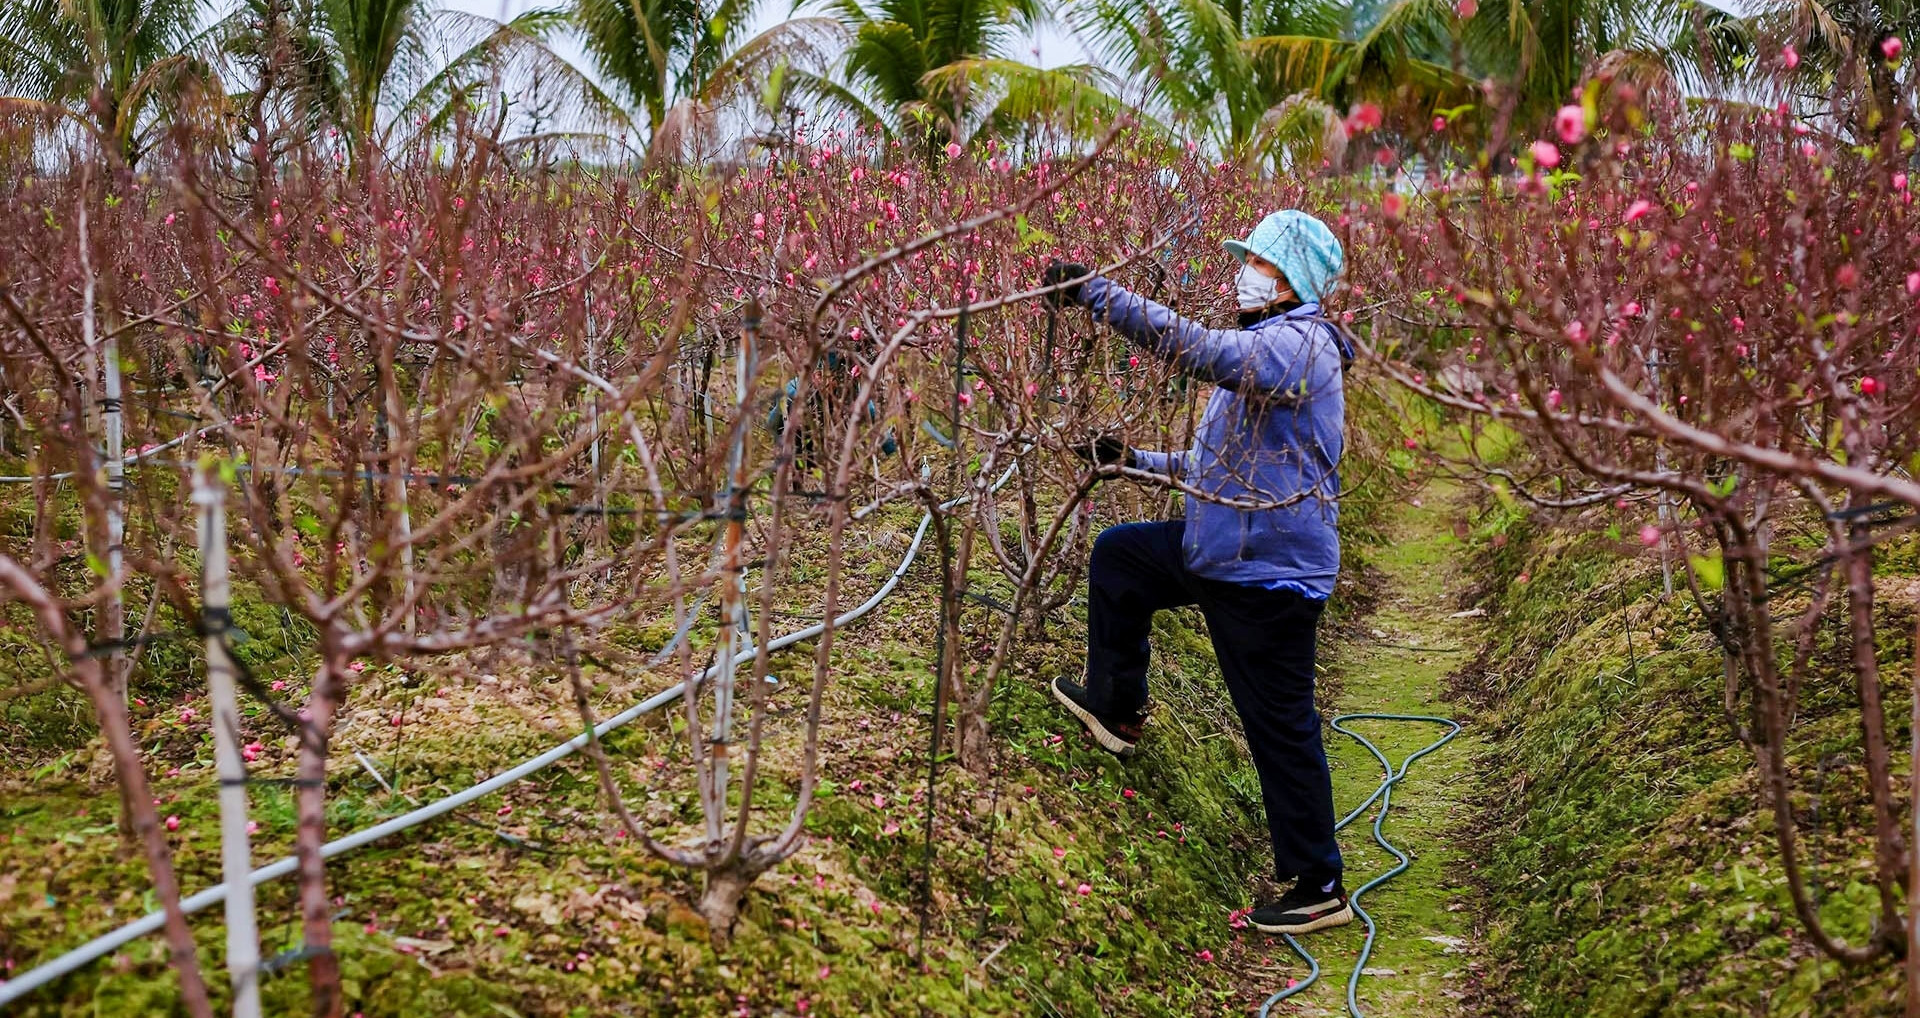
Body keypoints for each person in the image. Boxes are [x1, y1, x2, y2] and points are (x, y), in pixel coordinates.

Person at [1038, 209, 1355, 937]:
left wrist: (1096, 293)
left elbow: (1197, 350)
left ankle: (1319, 884)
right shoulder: (1272, 347)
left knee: (1280, 726)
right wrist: (1135, 461)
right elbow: (1224, 470)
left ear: (1291, 280)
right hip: (1227, 551)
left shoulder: (1296, 346)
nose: (1245, 273)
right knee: (1123, 557)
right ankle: (1116, 706)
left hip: (1268, 575)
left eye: (1259, 263)